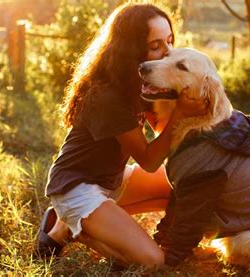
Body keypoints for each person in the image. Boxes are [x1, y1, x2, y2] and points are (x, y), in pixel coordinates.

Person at [34, 3, 208, 270]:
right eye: (156, 45)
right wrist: (180, 113)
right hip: (75, 187)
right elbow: (150, 160)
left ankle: (68, 226)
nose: (168, 51)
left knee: (184, 184)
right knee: (152, 261)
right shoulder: (107, 96)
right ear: (131, 49)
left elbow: (163, 135)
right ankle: (74, 227)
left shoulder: (142, 82)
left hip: (111, 181)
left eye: (170, 41)